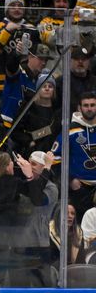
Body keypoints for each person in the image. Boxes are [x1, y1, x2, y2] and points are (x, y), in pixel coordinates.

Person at [51, 91, 96, 219]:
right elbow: (54, 159)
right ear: (79, 108)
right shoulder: (70, 130)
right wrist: (70, 179)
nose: (89, 108)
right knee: (80, 227)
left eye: (92, 105)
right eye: (86, 105)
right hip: (80, 189)